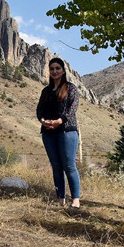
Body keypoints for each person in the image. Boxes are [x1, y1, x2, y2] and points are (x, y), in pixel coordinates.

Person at [36, 57, 81, 209]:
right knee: (56, 166)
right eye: (52, 68)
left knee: (69, 166)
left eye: (57, 68)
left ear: (63, 70)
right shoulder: (46, 91)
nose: (55, 71)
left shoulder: (71, 88)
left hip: (67, 131)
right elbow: (39, 109)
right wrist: (43, 121)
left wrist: (59, 121)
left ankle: (75, 200)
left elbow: (72, 109)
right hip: (48, 133)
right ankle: (60, 199)